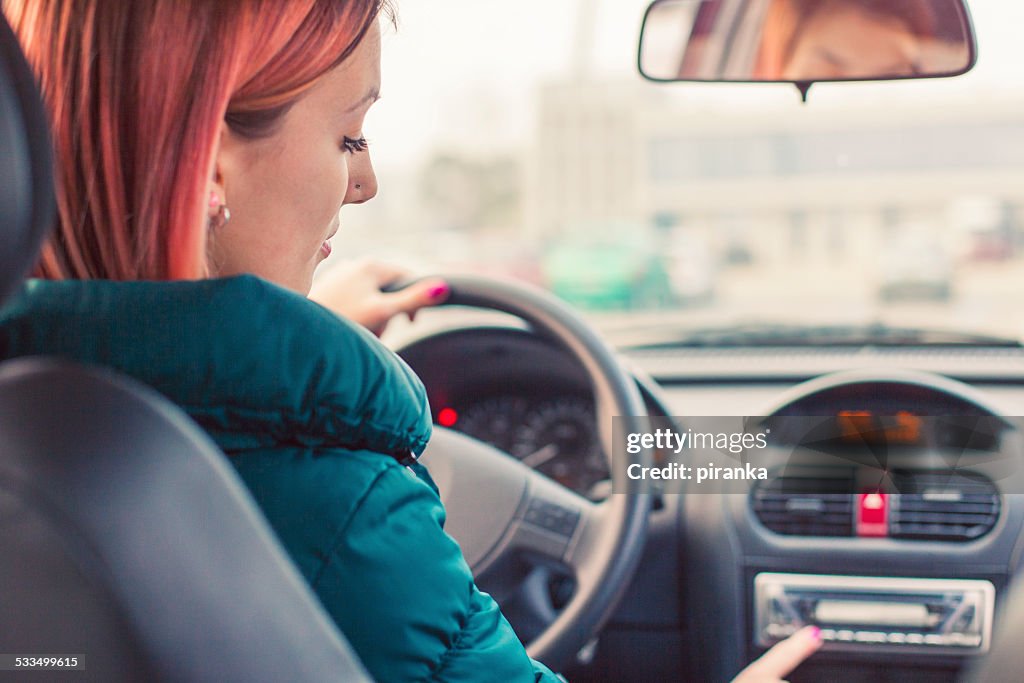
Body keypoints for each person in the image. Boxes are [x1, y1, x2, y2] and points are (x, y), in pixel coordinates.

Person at [1, 0, 821, 680]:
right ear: (212, 164)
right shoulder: (345, 506)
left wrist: (298, 362)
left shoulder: (37, 432)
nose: (366, 182)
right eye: (349, 136)